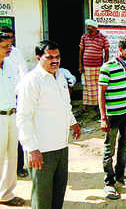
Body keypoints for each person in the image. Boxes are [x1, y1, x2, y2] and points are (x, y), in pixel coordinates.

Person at [16, 40, 81, 209]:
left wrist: (73, 123)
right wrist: (32, 149)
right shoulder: (31, 81)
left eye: (57, 57)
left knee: (58, 192)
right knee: (43, 197)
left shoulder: (60, 75)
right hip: (41, 149)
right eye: (49, 57)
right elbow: (23, 117)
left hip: (61, 145)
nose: (55, 61)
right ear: (38, 58)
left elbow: (65, 104)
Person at [98, 36, 126, 200]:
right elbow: (101, 93)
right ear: (121, 49)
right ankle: (109, 182)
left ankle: (120, 175)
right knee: (109, 149)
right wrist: (103, 117)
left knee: (124, 146)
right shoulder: (107, 67)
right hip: (112, 115)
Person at [0, 32, 25, 207]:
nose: (10, 49)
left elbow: (19, 88)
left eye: (10, 45)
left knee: (11, 156)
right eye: (5, 46)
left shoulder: (10, 64)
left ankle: (6, 194)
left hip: (12, 115)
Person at [79, 19, 110, 111]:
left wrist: (105, 65)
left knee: (98, 85)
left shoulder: (103, 37)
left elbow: (107, 52)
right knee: (87, 86)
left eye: (89, 26)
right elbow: (80, 52)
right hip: (86, 66)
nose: (88, 28)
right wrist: (80, 65)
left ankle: (98, 105)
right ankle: (85, 106)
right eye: (87, 26)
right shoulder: (84, 37)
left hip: (98, 66)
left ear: (95, 27)